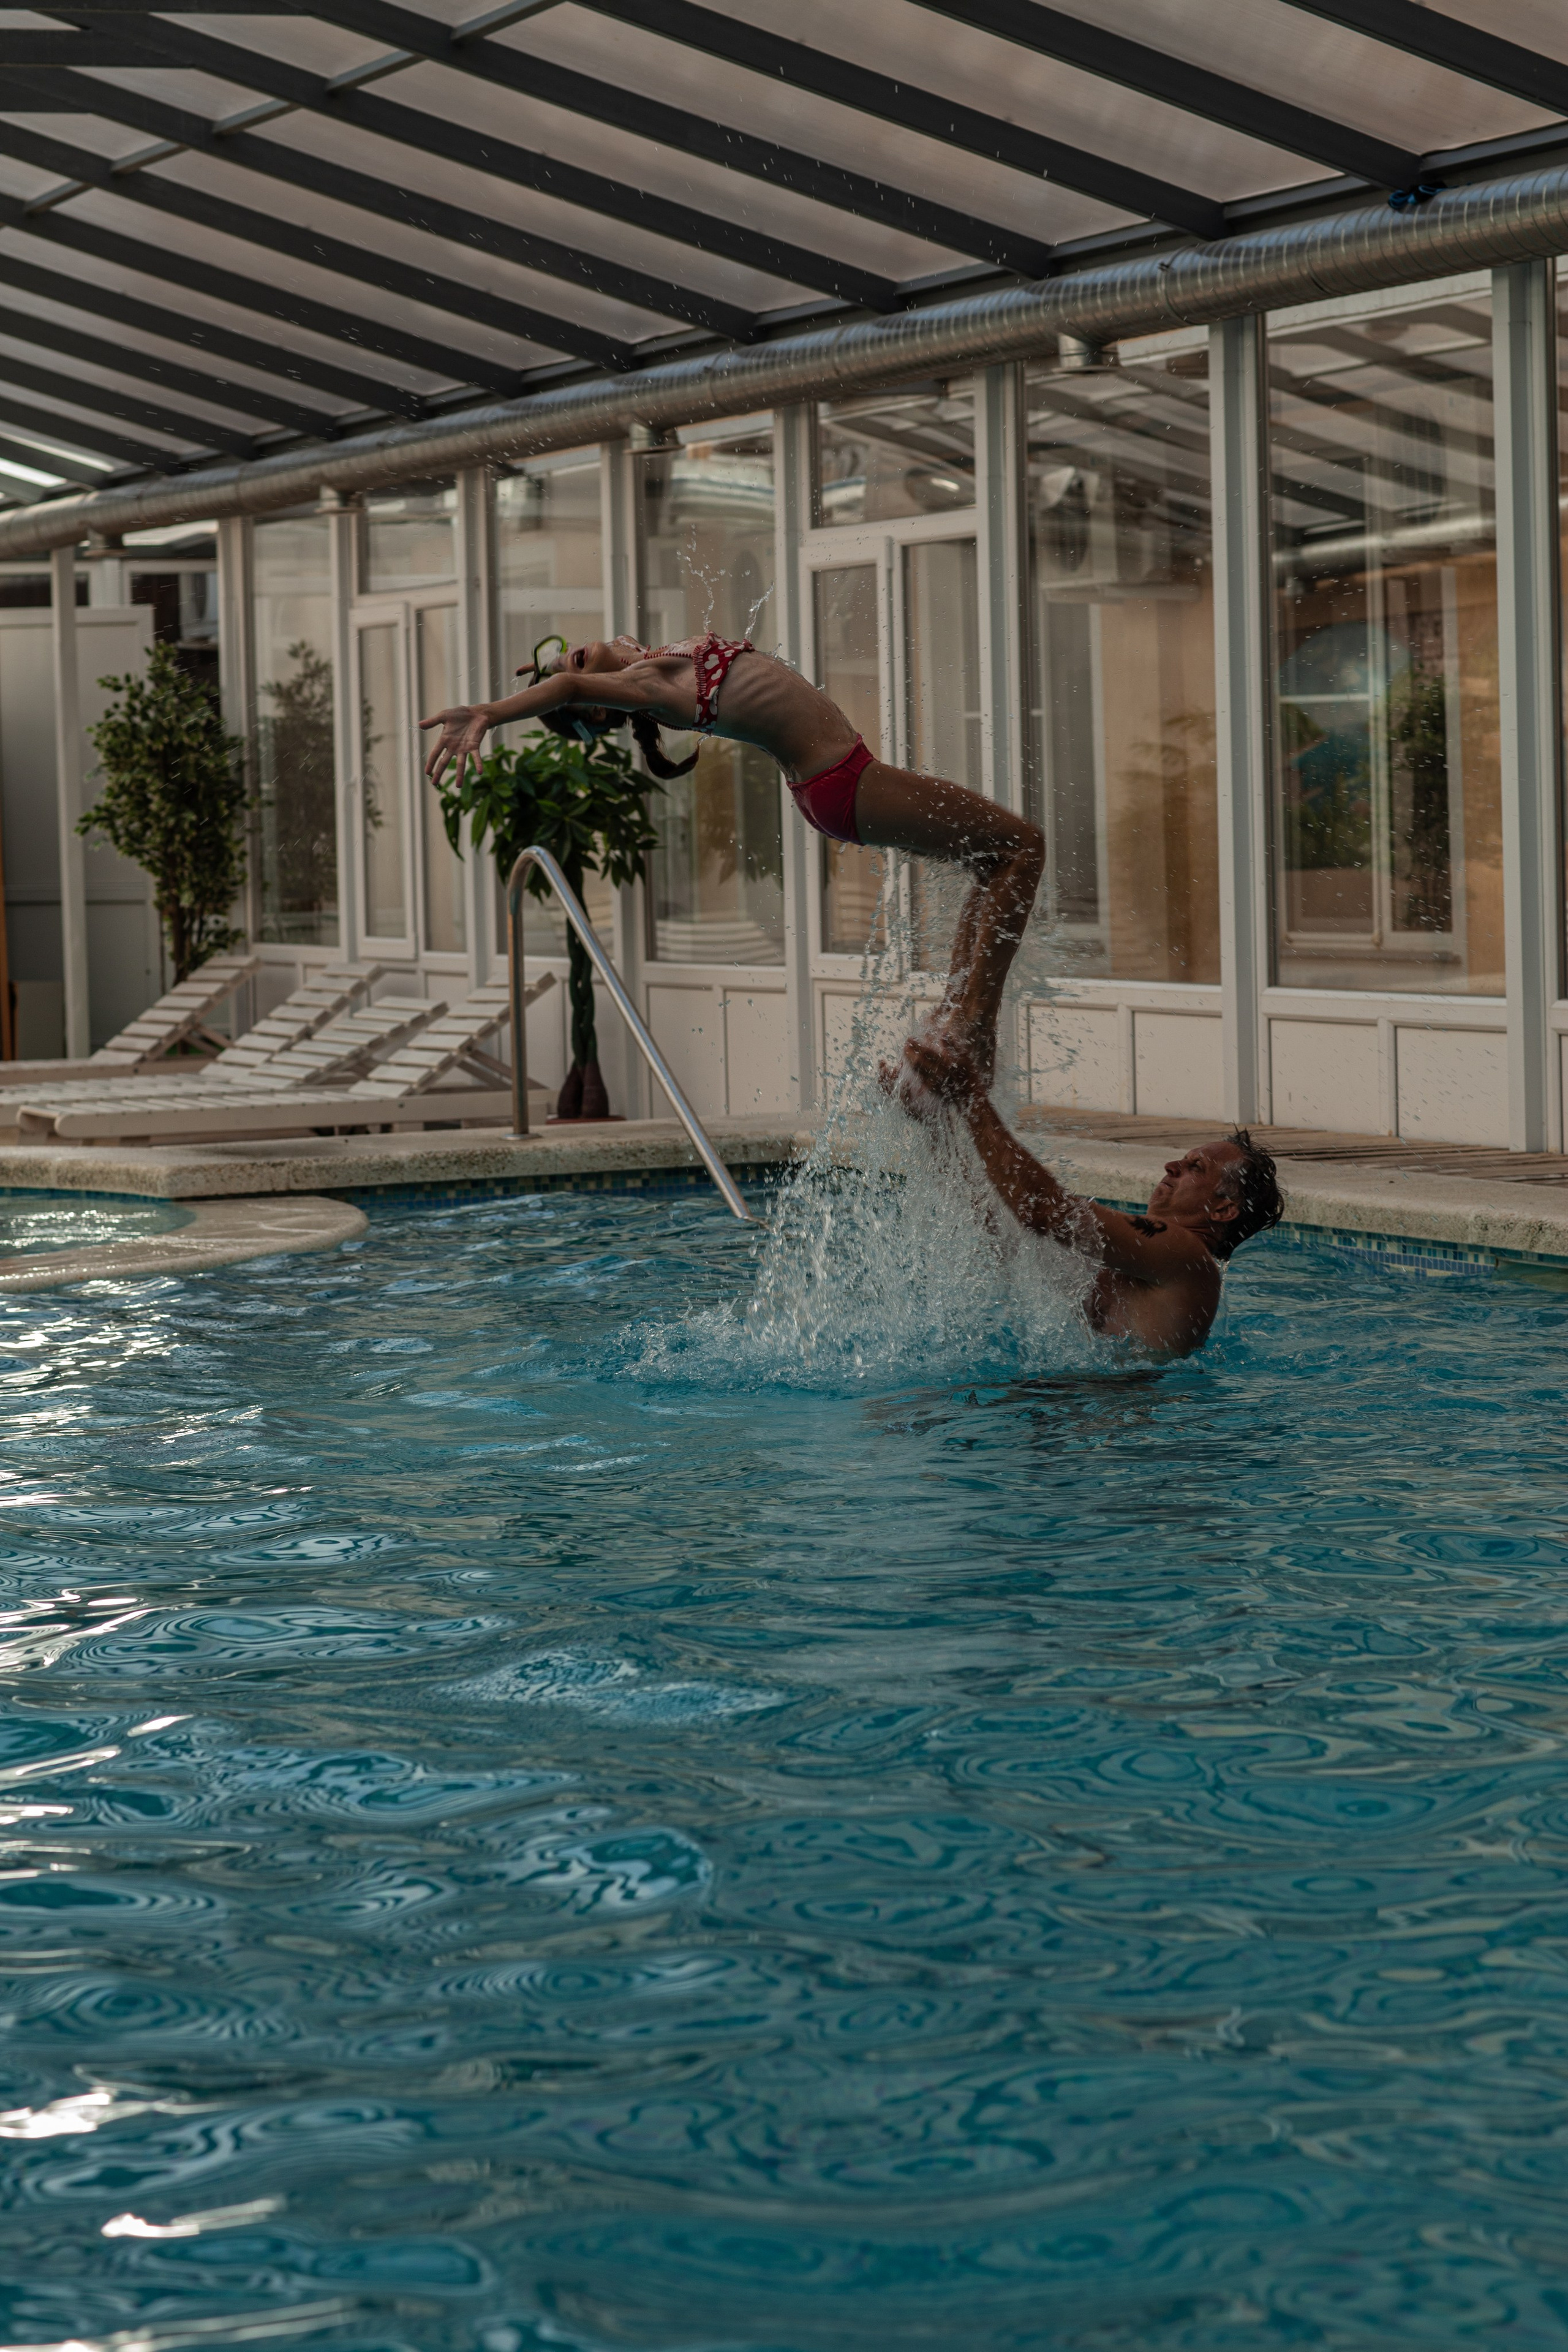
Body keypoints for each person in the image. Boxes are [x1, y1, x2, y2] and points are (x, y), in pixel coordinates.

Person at [420, 630, 1044, 1082]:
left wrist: (565, 662)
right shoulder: (644, 685)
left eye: (562, 655)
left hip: (838, 779)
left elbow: (572, 669)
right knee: (1024, 846)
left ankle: (950, 1029)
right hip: (844, 782)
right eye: (572, 682)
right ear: (600, 706)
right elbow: (570, 682)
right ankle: (970, 1032)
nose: (563, 660)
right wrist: (490, 713)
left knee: (993, 862)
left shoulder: (657, 657)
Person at [891, 1031, 1284, 1355]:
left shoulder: (1187, 1256)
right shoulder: (1130, 1260)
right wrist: (935, 1129)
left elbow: (1040, 1211)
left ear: (1224, 1209)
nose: (1172, 1167)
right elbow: (1002, 1222)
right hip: (1079, 1420)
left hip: (1119, 1436)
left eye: (1195, 1167)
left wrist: (972, 1100)